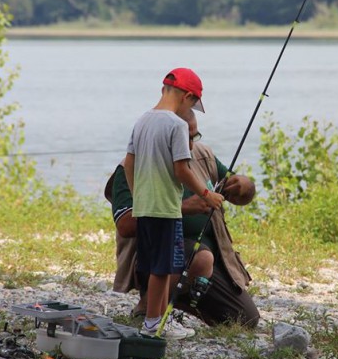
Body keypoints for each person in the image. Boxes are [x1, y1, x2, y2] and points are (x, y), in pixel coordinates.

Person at [107, 110, 260, 331]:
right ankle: (150, 308)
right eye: (183, 138)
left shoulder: (202, 155)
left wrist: (245, 186)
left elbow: (241, 195)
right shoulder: (134, 165)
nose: (189, 145)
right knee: (201, 258)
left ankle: (182, 297)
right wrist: (182, 209)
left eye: (194, 136)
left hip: (206, 262)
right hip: (155, 256)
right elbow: (125, 225)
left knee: (245, 319)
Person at [124, 68, 224, 339]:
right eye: (193, 103)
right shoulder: (177, 125)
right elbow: (182, 170)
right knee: (164, 268)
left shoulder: (142, 120)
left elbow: (129, 163)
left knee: (157, 267)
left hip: (144, 208)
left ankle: (153, 320)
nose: (191, 108)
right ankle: (153, 323)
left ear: (163, 90)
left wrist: (138, 196)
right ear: (187, 97)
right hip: (166, 210)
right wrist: (207, 194)